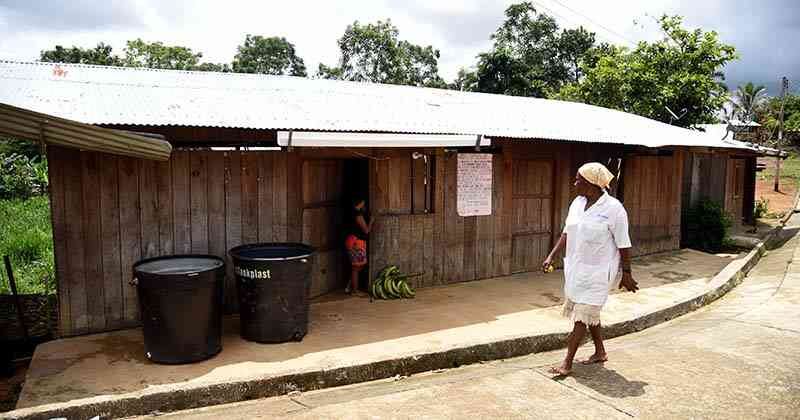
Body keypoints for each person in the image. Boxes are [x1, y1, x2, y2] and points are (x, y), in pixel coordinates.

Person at [542, 162, 639, 377]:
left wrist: (627, 273)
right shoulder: (577, 203)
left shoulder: (614, 209)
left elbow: (624, 243)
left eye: (579, 180)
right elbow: (567, 232)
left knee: (582, 315)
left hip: (599, 272)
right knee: (589, 313)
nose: (574, 183)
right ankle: (600, 352)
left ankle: (567, 363)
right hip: (576, 269)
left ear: (592, 184)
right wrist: (552, 255)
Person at [345, 197, 373, 296]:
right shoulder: (358, 214)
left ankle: (349, 287)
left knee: (357, 266)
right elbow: (366, 230)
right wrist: (371, 221)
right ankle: (355, 291)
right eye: (363, 203)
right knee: (356, 268)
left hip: (352, 240)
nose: (364, 205)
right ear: (360, 203)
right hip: (356, 242)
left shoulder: (352, 213)